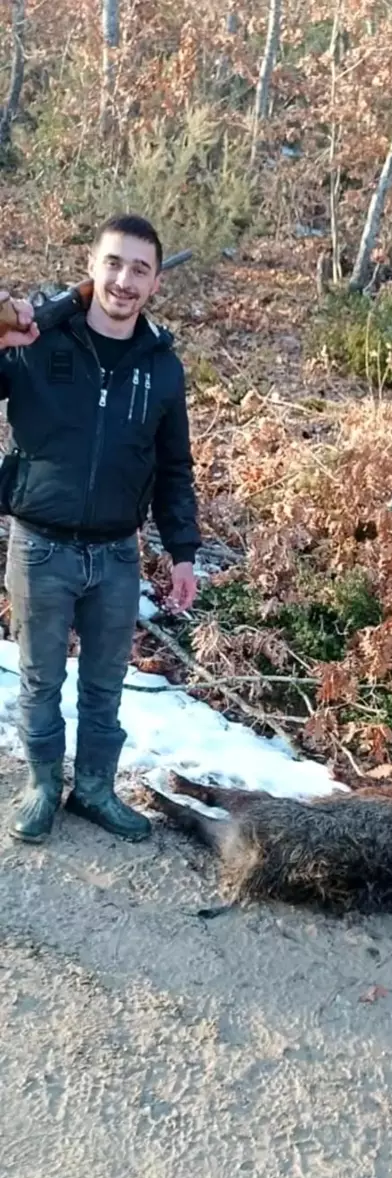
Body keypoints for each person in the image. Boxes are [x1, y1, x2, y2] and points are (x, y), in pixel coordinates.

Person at [0, 213, 201, 845]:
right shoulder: (38, 341)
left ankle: (93, 790)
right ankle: (40, 786)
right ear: (93, 265)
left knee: (106, 684)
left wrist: (184, 553)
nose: (124, 279)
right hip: (39, 547)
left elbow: (174, 468)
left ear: (155, 285)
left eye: (140, 268)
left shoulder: (162, 368)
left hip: (117, 554)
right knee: (40, 678)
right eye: (114, 263)